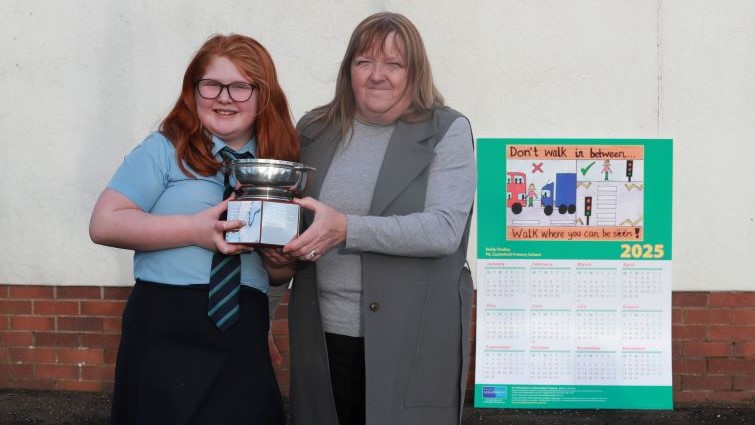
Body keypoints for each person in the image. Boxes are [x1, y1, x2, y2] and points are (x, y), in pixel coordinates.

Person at [270, 12, 476, 425]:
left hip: (409, 337)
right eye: (364, 61)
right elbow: (289, 224)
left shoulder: (446, 130)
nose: (377, 75)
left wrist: (347, 228)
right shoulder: (314, 128)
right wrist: (267, 303)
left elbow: (443, 230)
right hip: (322, 334)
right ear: (349, 70)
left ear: (414, 72)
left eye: (393, 64)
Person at [89, 34, 298, 425]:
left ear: (263, 96)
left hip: (242, 326)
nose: (225, 97)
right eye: (211, 84)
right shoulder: (165, 149)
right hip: (164, 324)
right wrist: (195, 231)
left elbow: (279, 274)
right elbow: (104, 222)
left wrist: (281, 262)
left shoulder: (277, 166)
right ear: (193, 90)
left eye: (240, 86)